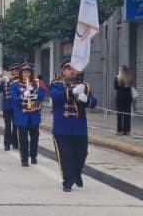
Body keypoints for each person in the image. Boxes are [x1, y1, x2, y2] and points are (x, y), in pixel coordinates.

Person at [50, 60, 97, 192]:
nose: (72, 71)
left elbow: (94, 103)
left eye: (74, 69)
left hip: (79, 127)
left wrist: (87, 100)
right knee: (66, 156)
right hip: (62, 127)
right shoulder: (56, 85)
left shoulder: (85, 86)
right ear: (63, 71)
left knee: (82, 153)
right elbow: (56, 97)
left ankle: (77, 173)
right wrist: (71, 92)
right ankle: (68, 181)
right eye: (68, 69)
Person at [13, 62, 46, 167]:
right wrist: (23, 95)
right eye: (25, 72)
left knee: (35, 137)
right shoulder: (15, 84)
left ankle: (33, 156)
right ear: (21, 73)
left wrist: (34, 94)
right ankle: (24, 159)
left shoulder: (36, 83)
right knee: (23, 139)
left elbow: (41, 96)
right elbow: (14, 100)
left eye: (28, 72)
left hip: (34, 115)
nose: (27, 74)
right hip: (22, 115)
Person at [1, 64, 19, 151]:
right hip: (7, 107)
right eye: (14, 71)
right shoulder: (5, 81)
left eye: (17, 71)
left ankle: (15, 143)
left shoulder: (20, 81)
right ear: (11, 72)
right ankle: (7, 144)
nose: (15, 72)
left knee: (16, 126)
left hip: (16, 107)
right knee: (8, 126)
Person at [114, 65, 135, 135]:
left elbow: (115, 87)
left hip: (120, 97)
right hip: (128, 97)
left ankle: (120, 131)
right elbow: (131, 86)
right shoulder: (130, 77)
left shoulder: (117, 78)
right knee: (127, 114)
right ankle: (127, 131)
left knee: (119, 114)